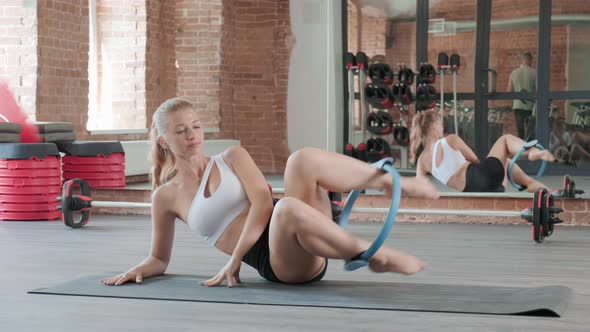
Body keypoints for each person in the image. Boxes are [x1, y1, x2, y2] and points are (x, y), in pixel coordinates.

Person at [102, 98, 440, 288]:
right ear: (164, 141)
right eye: (180, 131)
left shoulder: (232, 156)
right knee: (287, 209)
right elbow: (160, 258)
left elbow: (264, 202)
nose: (192, 135)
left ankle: (393, 182)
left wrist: (234, 259)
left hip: (294, 219)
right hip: (281, 261)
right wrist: (140, 269)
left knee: (301, 160)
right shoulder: (165, 196)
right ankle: (371, 254)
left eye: (196, 125)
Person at [409, 110, 556, 193]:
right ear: (434, 127)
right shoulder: (450, 140)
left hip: (476, 190)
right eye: (440, 125)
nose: (442, 128)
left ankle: (538, 187)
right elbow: (475, 161)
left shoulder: (422, 161)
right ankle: (531, 152)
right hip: (484, 177)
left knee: (506, 162)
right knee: (504, 140)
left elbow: (420, 186)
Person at [508, 52, 537, 140]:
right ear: (530, 60)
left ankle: (521, 149)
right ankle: (529, 147)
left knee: (520, 130)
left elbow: (509, 91)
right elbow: (537, 91)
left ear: (522, 60)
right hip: (531, 106)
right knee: (530, 131)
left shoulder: (514, 73)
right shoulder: (535, 73)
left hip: (518, 106)